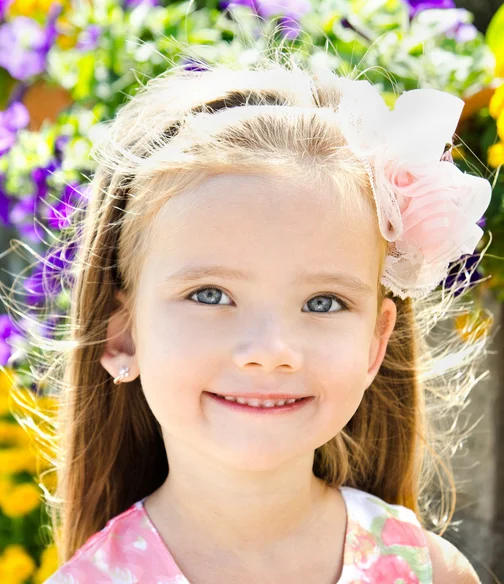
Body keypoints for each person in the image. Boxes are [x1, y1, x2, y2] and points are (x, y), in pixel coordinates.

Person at [36, 52, 493, 583]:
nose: (271, 348)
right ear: (123, 333)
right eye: (209, 294)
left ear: (375, 343)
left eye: (323, 302)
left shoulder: (432, 572)